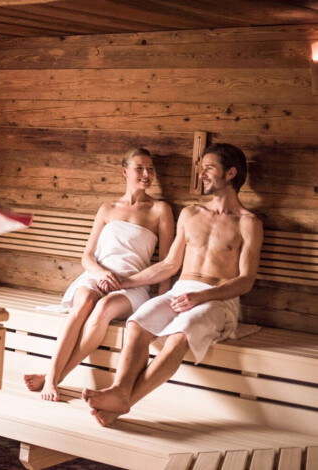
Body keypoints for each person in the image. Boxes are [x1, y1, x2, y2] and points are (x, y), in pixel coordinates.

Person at [84, 143, 263, 426]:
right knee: (136, 323)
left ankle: (124, 403)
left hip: (218, 299)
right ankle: (119, 390)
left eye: (208, 168)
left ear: (230, 173)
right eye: (200, 168)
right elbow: (169, 265)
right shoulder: (191, 214)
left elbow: (245, 281)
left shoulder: (248, 223)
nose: (201, 174)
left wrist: (203, 297)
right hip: (181, 291)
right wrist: (126, 282)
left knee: (180, 334)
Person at [23, 148, 174, 401]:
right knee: (85, 301)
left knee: (103, 308)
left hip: (132, 285)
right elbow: (87, 257)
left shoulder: (160, 210)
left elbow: (167, 264)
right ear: (125, 172)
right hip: (98, 276)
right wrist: (102, 274)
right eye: (140, 168)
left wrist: (163, 302)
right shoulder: (107, 208)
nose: (147, 174)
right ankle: (50, 376)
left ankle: (55, 378)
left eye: (150, 169)